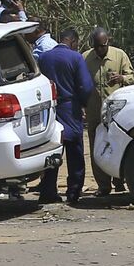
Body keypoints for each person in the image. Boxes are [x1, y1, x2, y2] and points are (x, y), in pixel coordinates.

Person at [37, 29, 95, 204]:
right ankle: (73, 192)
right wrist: (83, 103)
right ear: (73, 41)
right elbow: (86, 86)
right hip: (70, 107)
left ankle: (47, 191)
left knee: (51, 149)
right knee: (75, 152)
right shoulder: (76, 58)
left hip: (50, 108)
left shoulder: (44, 57)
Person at [83, 28, 133, 195]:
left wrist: (122, 78)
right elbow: (81, 83)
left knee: (117, 145)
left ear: (108, 42)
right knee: (97, 148)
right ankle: (103, 185)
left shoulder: (120, 55)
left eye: (102, 46)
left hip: (116, 114)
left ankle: (119, 182)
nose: (99, 50)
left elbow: (132, 76)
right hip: (94, 111)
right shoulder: (86, 58)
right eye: (96, 46)